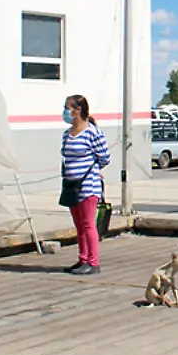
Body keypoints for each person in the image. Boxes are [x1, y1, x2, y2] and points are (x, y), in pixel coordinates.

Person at [61, 95, 111, 275]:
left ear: (78, 110)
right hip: (71, 186)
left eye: (68, 107)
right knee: (79, 225)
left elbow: (105, 156)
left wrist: (94, 170)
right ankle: (82, 258)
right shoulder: (67, 134)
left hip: (88, 185)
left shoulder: (93, 132)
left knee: (88, 223)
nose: (65, 111)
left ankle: (93, 261)